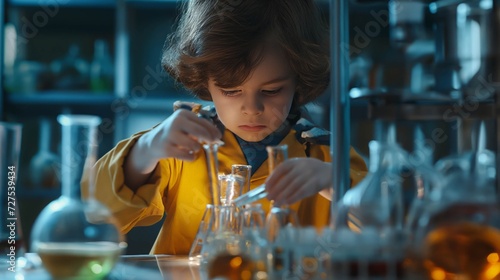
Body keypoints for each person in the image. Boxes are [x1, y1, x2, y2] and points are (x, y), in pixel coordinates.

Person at [84, 0, 367, 255]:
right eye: (231, 91)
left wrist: (337, 184)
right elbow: (93, 216)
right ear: (205, 81)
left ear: (299, 78)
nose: (252, 108)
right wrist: (143, 153)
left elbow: (389, 232)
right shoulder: (180, 146)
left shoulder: (327, 157)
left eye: (272, 90)